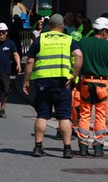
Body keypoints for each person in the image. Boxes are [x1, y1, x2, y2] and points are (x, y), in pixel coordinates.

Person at [22, 13, 82, 159]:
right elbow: (79, 55)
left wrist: (26, 80)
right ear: (62, 26)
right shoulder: (69, 40)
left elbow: (30, 61)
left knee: (42, 115)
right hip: (62, 82)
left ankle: (38, 147)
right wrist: (74, 75)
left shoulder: (40, 39)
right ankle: (67, 149)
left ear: (49, 26)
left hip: (42, 82)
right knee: (64, 116)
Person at [75, 17, 108, 157]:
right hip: (102, 83)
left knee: (84, 114)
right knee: (100, 116)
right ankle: (98, 147)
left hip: (86, 82)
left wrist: (76, 77)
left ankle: (83, 146)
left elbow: (78, 60)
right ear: (104, 32)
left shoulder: (83, 42)